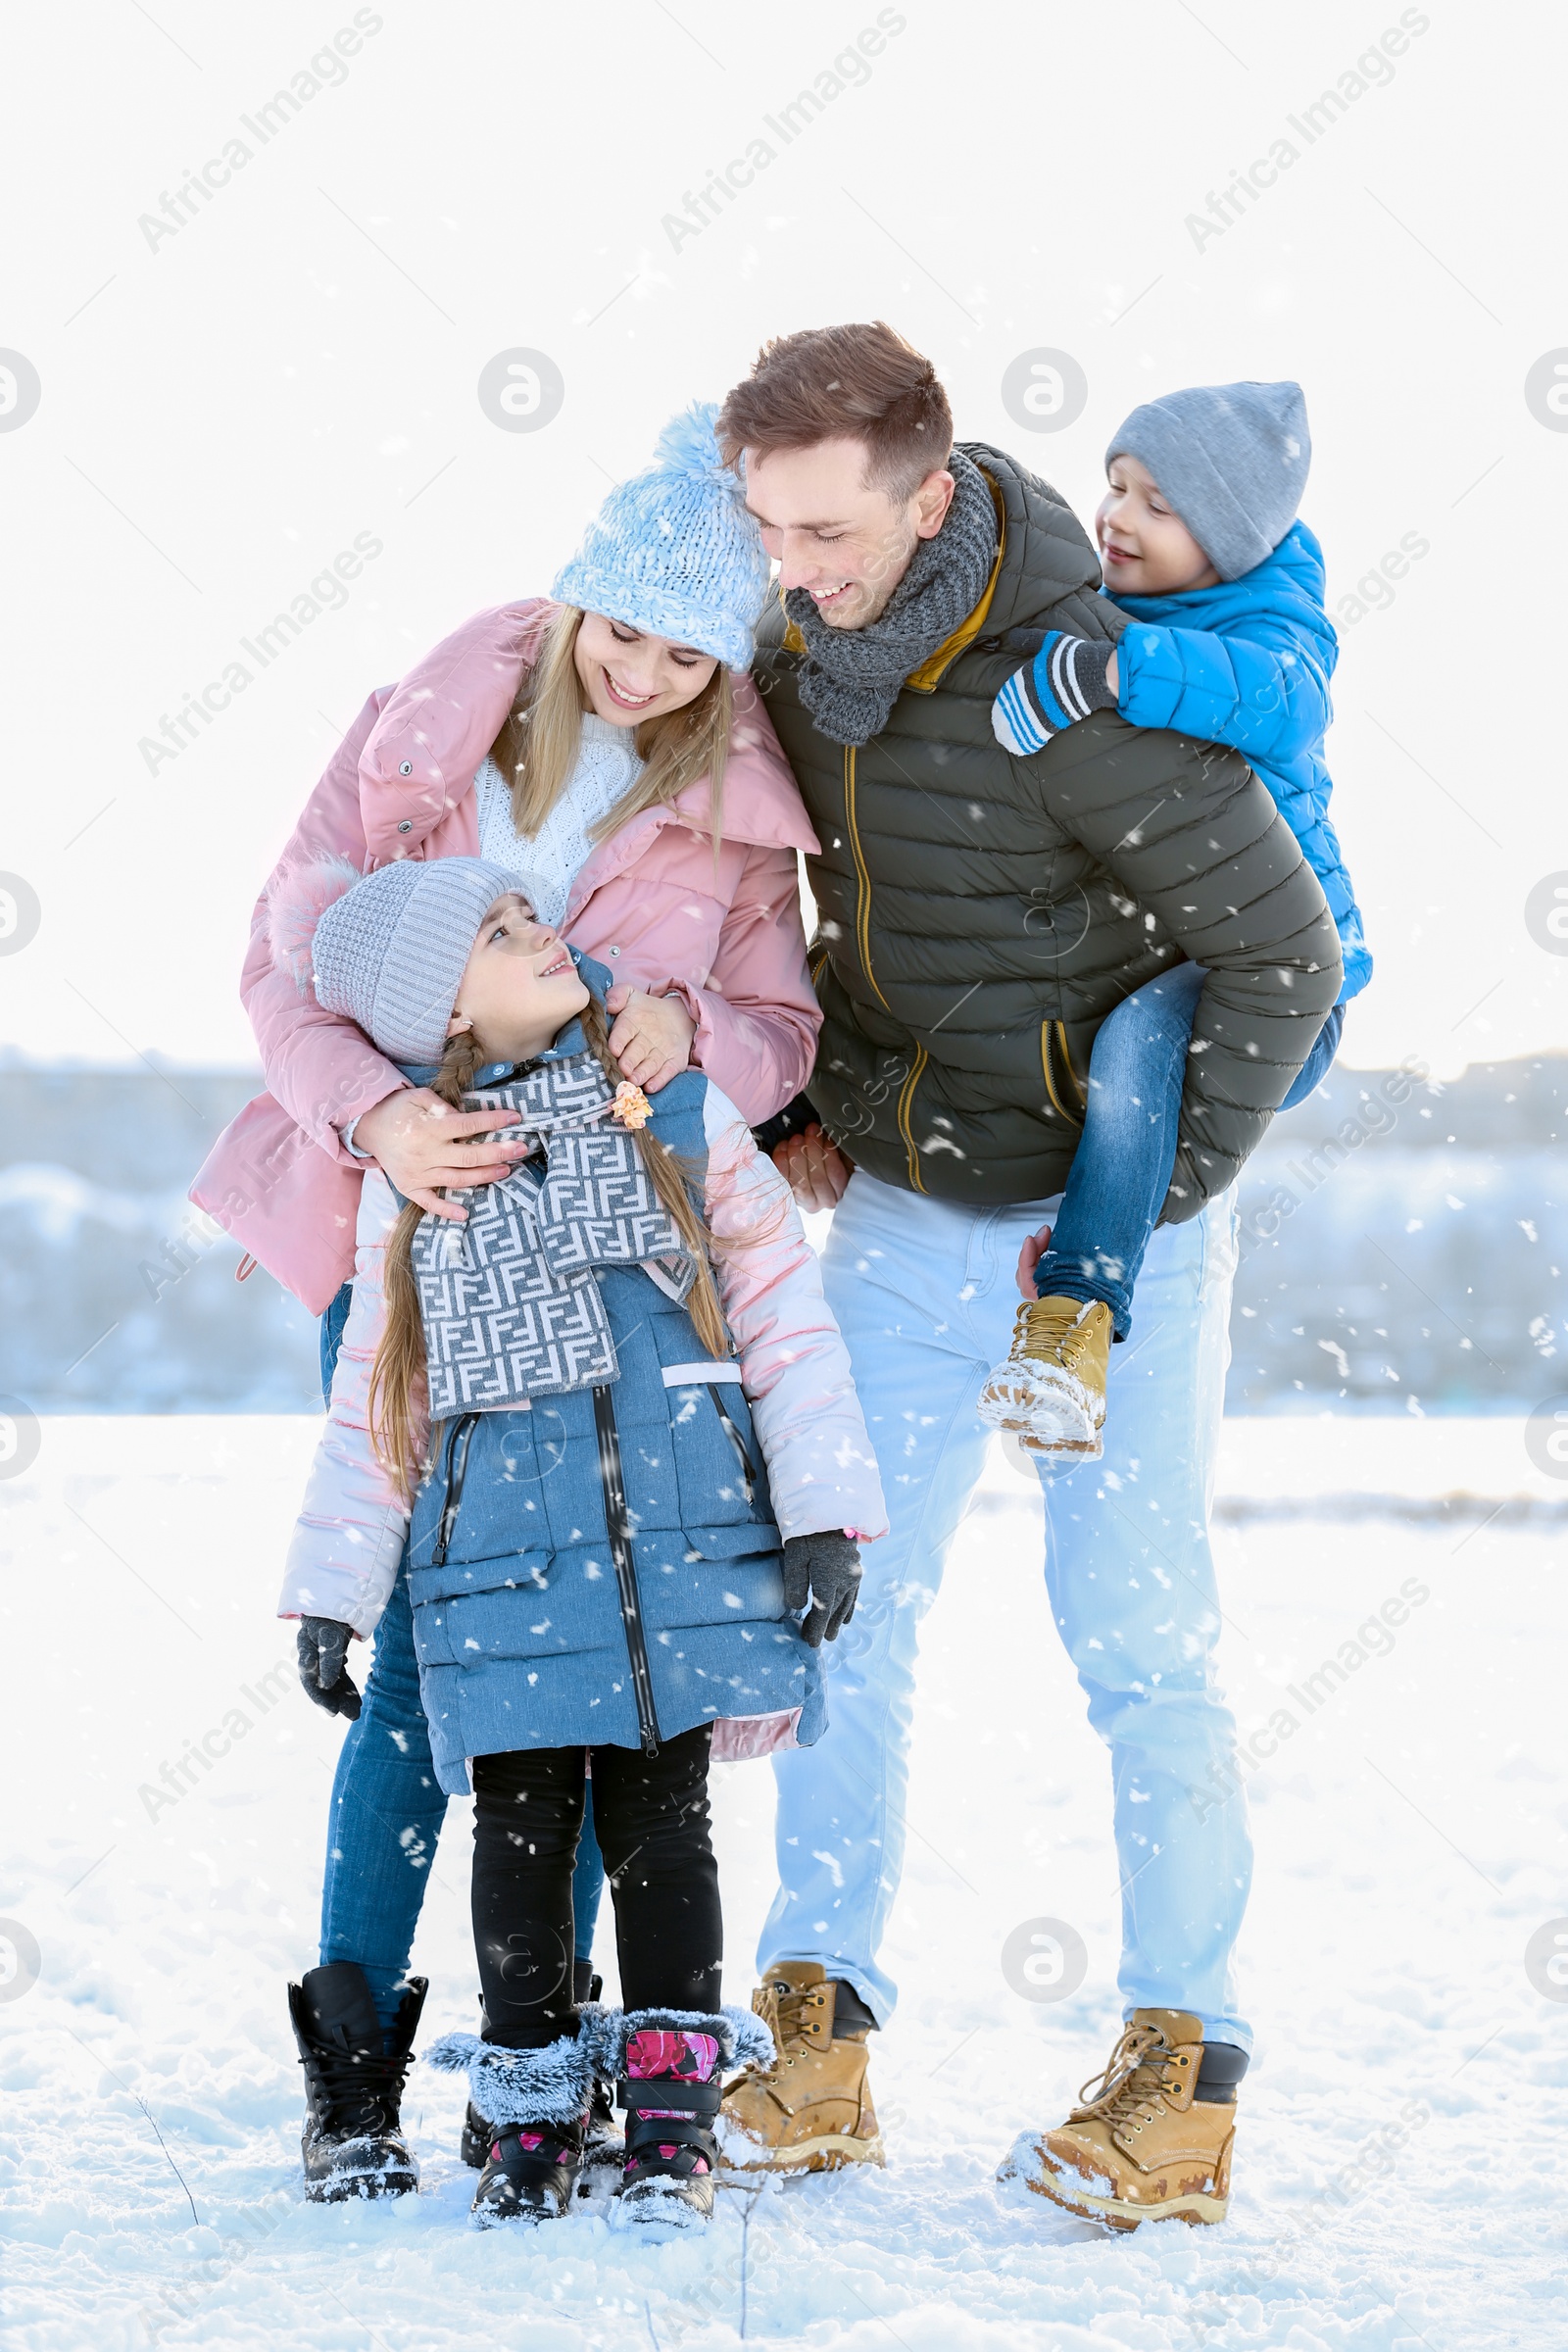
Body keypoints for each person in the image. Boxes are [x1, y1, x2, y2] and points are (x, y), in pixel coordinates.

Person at [710, 323, 1343, 2229]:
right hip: (907, 1204)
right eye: (768, 534)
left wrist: (1145, 1200)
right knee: (843, 1603)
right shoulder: (795, 671)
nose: (796, 570)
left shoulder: (1097, 685)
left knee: (1133, 1629)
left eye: (824, 531)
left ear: (928, 494)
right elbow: (816, 909)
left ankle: (1181, 2071)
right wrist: (821, 1098)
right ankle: (811, 2038)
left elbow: (1279, 965)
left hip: (1113, 1225)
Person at [191, 404, 824, 2191]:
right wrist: (380, 1111)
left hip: (622, 1277)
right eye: (620, 629)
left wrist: (687, 1027)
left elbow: (777, 1037)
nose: (641, 673)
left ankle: (581, 2067)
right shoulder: (425, 731)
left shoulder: (734, 813)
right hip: (417, 1225)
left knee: (611, 1682)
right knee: (415, 1664)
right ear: (574, 601)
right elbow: (284, 952)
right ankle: (350, 2071)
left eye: (688, 651)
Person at [272, 857, 887, 2229]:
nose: (541, 933)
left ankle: (671, 2114)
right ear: (443, 1010)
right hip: (498, 1570)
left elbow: (781, 1308)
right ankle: (533, 2112)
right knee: (523, 1836)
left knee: (671, 1832)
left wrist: (821, 1511)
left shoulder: (671, 1111)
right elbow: (382, 1399)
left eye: (525, 912)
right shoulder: (420, 1177)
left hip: (678, 1555)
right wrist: (332, 1592)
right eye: (499, 934)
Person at [980, 380, 1371, 1457]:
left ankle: (1077, 1316)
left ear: (1230, 535)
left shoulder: (1270, 628)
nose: (1118, 515)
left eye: (1158, 502)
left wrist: (1113, 672)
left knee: (1142, 1037)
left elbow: (1282, 700)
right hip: (1164, 961)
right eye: (1113, 485)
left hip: (1284, 986)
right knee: (1121, 1045)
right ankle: (1070, 1248)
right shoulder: (1119, 608)